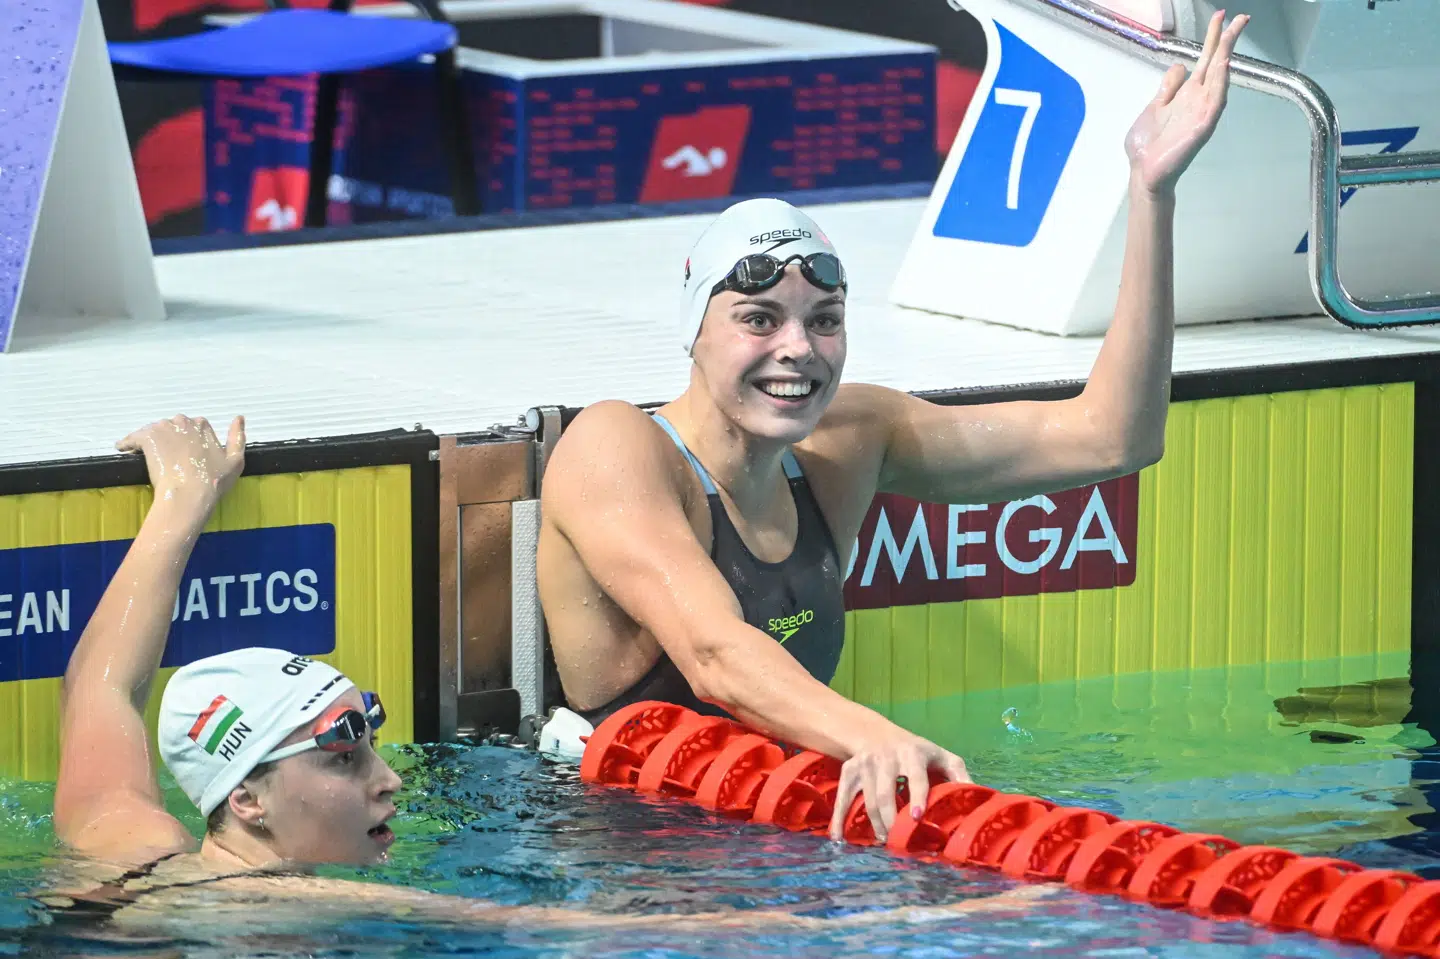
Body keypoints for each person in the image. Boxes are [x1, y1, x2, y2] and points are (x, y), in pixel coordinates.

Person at [539, 13, 1250, 845]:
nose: (798, 348)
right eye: (759, 319)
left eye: (824, 319)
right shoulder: (617, 447)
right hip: (620, 853)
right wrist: (872, 734)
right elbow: (714, 654)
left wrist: (1151, 193)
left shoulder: (847, 440)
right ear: (693, 331)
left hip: (777, 833)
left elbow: (1113, 437)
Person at [38, 413, 1048, 941]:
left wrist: (182, 499)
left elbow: (99, 687)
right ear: (247, 798)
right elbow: (579, 928)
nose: (389, 777)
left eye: (371, 742)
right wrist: (929, 918)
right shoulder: (270, 907)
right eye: (344, 759)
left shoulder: (130, 849)